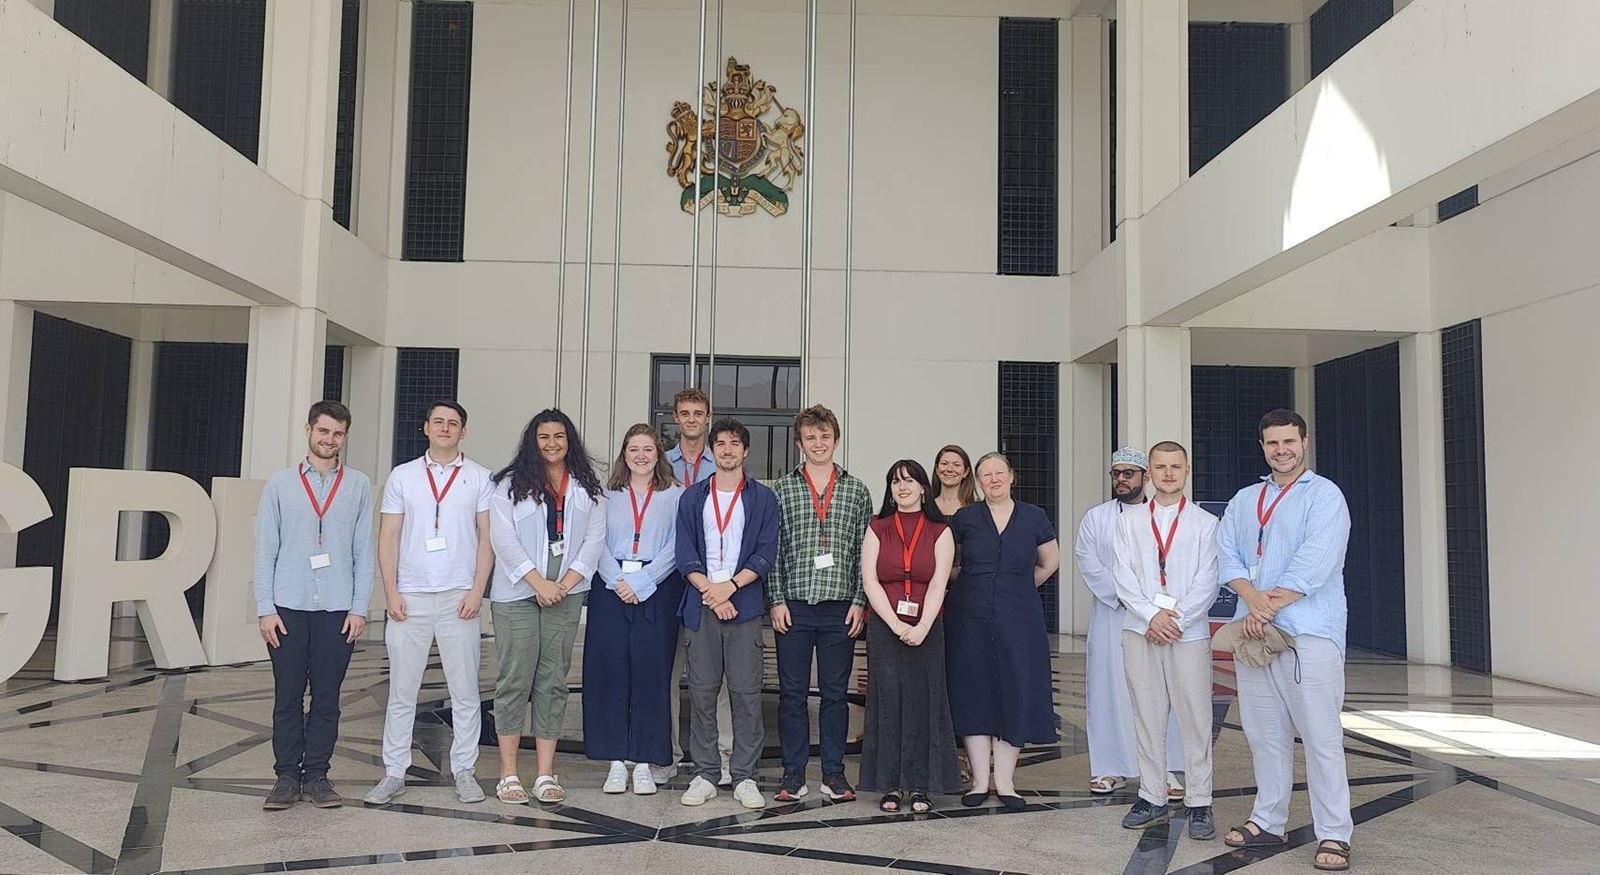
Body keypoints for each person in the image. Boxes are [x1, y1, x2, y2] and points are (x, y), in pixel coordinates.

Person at [1217, 409, 1352, 872]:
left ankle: (1334, 833)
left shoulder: (1325, 496)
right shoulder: (1244, 498)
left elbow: (1318, 561)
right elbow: (1227, 554)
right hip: (1255, 634)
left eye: (1288, 442)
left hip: (1308, 633)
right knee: (1263, 735)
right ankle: (1267, 820)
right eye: (1272, 443)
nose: (1281, 450)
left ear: (1305, 442)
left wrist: (1266, 607)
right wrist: (1254, 603)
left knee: (1320, 737)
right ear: (1263, 447)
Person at [366, 401, 494, 806]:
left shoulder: (479, 478)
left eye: (453, 423)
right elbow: (388, 536)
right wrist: (390, 592)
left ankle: (465, 770)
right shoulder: (403, 476)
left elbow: (487, 538)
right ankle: (393, 771)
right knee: (403, 690)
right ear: (425, 428)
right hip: (411, 596)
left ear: (463, 432)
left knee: (464, 690)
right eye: (438, 421)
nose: (445, 428)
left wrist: (477, 590)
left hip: (460, 597)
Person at [255, 401, 375, 810]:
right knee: (287, 696)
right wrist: (264, 607)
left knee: (327, 697)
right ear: (309, 430)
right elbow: (264, 549)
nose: (329, 440)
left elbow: (364, 550)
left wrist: (359, 608)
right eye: (323, 431)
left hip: (338, 608)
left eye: (338, 433)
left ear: (345, 437)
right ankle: (286, 777)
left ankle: (318, 775)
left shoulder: (358, 484)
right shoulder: (280, 484)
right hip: (287, 605)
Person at [486, 409, 606, 805]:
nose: (552, 444)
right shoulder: (506, 484)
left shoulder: (588, 486)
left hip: (566, 595)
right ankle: (507, 773)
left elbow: (594, 539)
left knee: (553, 681)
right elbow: (501, 537)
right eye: (543, 437)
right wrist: (538, 582)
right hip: (518, 593)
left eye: (559, 436)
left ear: (569, 440)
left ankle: (544, 772)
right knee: (515, 680)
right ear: (532, 441)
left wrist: (565, 584)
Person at [1111, 441, 1220, 839]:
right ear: (1150, 472)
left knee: (1195, 717)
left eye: (1176, 466)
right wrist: (1150, 615)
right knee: (1147, 714)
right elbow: (1122, 576)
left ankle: (1200, 802)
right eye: (1161, 466)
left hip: (1187, 634)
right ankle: (1152, 794)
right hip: (1140, 629)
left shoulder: (1206, 524)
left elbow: (1207, 581)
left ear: (1187, 469)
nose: (1168, 473)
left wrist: (1175, 619)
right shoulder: (1128, 522)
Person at [768, 404, 872, 803]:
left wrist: (860, 601)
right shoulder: (782, 489)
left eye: (824, 436)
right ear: (799, 443)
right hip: (793, 604)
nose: (818, 444)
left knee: (834, 694)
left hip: (840, 607)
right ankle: (793, 775)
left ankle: (834, 773)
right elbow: (774, 549)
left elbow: (865, 551)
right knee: (791, 695)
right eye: (810, 437)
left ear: (835, 439)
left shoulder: (856, 490)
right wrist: (776, 599)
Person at [945, 452, 1060, 811]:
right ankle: (979, 781)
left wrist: (1020, 587)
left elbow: (1050, 562)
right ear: (977, 482)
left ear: (1012, 476)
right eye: (985, 475)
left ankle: (1006, 782)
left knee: (1016, 689)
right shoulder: (964, 518)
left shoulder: (1033, 516)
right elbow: (948, 564)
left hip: (1019, 617)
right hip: (968, 617)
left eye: (999, 473)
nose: (993, 479)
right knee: (974, 690)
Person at [675, 417, 779, 809]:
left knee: (747, 694)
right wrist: (711, 591)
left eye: (735, 443)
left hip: (744, 605)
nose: (728, 449)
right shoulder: (693, 497)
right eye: (721, 443)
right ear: (712, 450)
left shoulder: (763, 499)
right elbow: (684, 554)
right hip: (702, 606)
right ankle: (703, 773)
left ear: (745, 451)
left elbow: (764, 554)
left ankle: (745, 776)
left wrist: (730, 588)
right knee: (701, 694)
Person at [1073, 448, 1186, 800]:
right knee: (1109, 689)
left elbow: (1176, 564)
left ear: (1145, 477)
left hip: (1157, 618)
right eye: (1116, 473)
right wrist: (1125, 597)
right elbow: (1088, 561)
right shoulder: (1097, 518)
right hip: (1113, 615)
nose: (1121, 479)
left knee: (1158, 692)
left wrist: (1154, 608)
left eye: (1129, 473)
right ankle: (1110, 767)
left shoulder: (1166, 515)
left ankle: (1164, 769)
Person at [583, 424, 685, 795]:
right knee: (609, 674)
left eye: (647, 449)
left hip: (657, 589)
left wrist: (644, 582)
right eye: (633, 449)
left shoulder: (675, 494)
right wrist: (617, 580)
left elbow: (679, 543)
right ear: (623, 455)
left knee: (651, 676)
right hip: (610, 588)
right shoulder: (604, 494)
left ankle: (644, 761)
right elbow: (594, 540)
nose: (640, 456)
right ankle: (615, 761)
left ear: (659, 454)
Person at [858, 460, 960, 812]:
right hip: (886, 627)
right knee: (888, 703)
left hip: (928, 627)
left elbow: (938, 583)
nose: (901, 487)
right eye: (894, 482)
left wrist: (921, 626)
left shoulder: (939, 529)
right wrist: (895, 624)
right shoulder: (877, 527)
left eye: (909, 481)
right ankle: (890, 784)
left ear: (922, 488)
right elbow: (870, 581)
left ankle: (920, 785)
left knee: (923, 702)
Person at [664, 386, 731, 783]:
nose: (691, 419)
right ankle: (668, 754)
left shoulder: (722, 461)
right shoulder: (661, 463)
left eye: (698, 413)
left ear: (708, 417)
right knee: (668, 674)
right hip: (668, 579)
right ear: (676, 418)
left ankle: (722, 754)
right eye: (685, 412)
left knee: (717, 675)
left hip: (713, 583)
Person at [932, 445, 977, 519]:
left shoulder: (976, 509)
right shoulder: (926, 507)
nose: (950, 469)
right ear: (937, 469)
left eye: (957, 465)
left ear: (966, 472)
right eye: (944, 464)